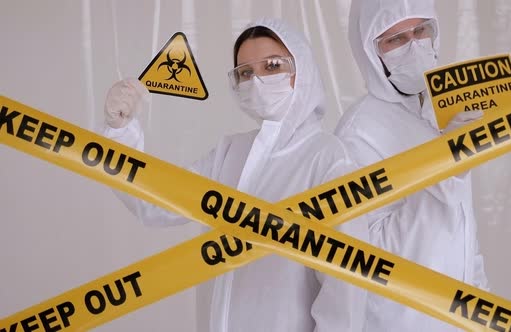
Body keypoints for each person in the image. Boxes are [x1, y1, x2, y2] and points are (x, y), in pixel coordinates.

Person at [102, 18, 368, 332]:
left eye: (272, 66)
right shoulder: (232, 152)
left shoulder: (328, 159)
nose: (256, 82)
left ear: (303, 70)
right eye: (246, 73)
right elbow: (156, 202)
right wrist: (119, 134)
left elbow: (345, 287)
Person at [335, 0, 488, 330]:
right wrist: (444, 165)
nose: (415, 45)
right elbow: (371, 256)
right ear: (370, 53)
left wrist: (483, 304)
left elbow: (462, 229)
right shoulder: (358, 132)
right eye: (396, 40)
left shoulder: (442, 113)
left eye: (421, 30)